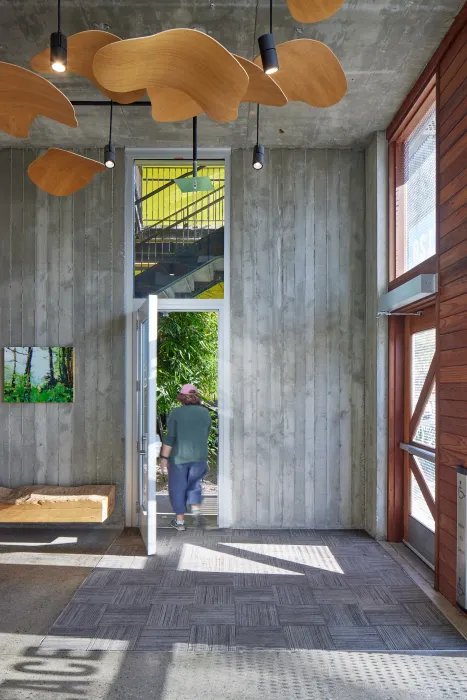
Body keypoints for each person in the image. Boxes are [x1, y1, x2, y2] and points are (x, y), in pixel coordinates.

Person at [159, 384, 212, 531]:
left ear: (181, 397)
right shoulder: (205, 413)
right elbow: (205, 434)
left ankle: (180, 522)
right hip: (199, 456)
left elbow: (170, 438)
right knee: (194, 483)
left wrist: (164, 458)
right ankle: (195, 508)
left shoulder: (176, 413)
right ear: (196, 396)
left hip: (179, 458)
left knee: (177, 488)